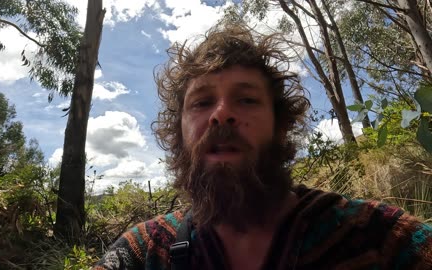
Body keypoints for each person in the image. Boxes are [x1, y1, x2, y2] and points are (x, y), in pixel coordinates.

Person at [93, 22, 432, 270]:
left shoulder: (375, 237)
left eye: (247, 99)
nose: (221, 115)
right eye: (201, 102)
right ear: (178, 132)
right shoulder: (145, 253)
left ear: (280, 125)